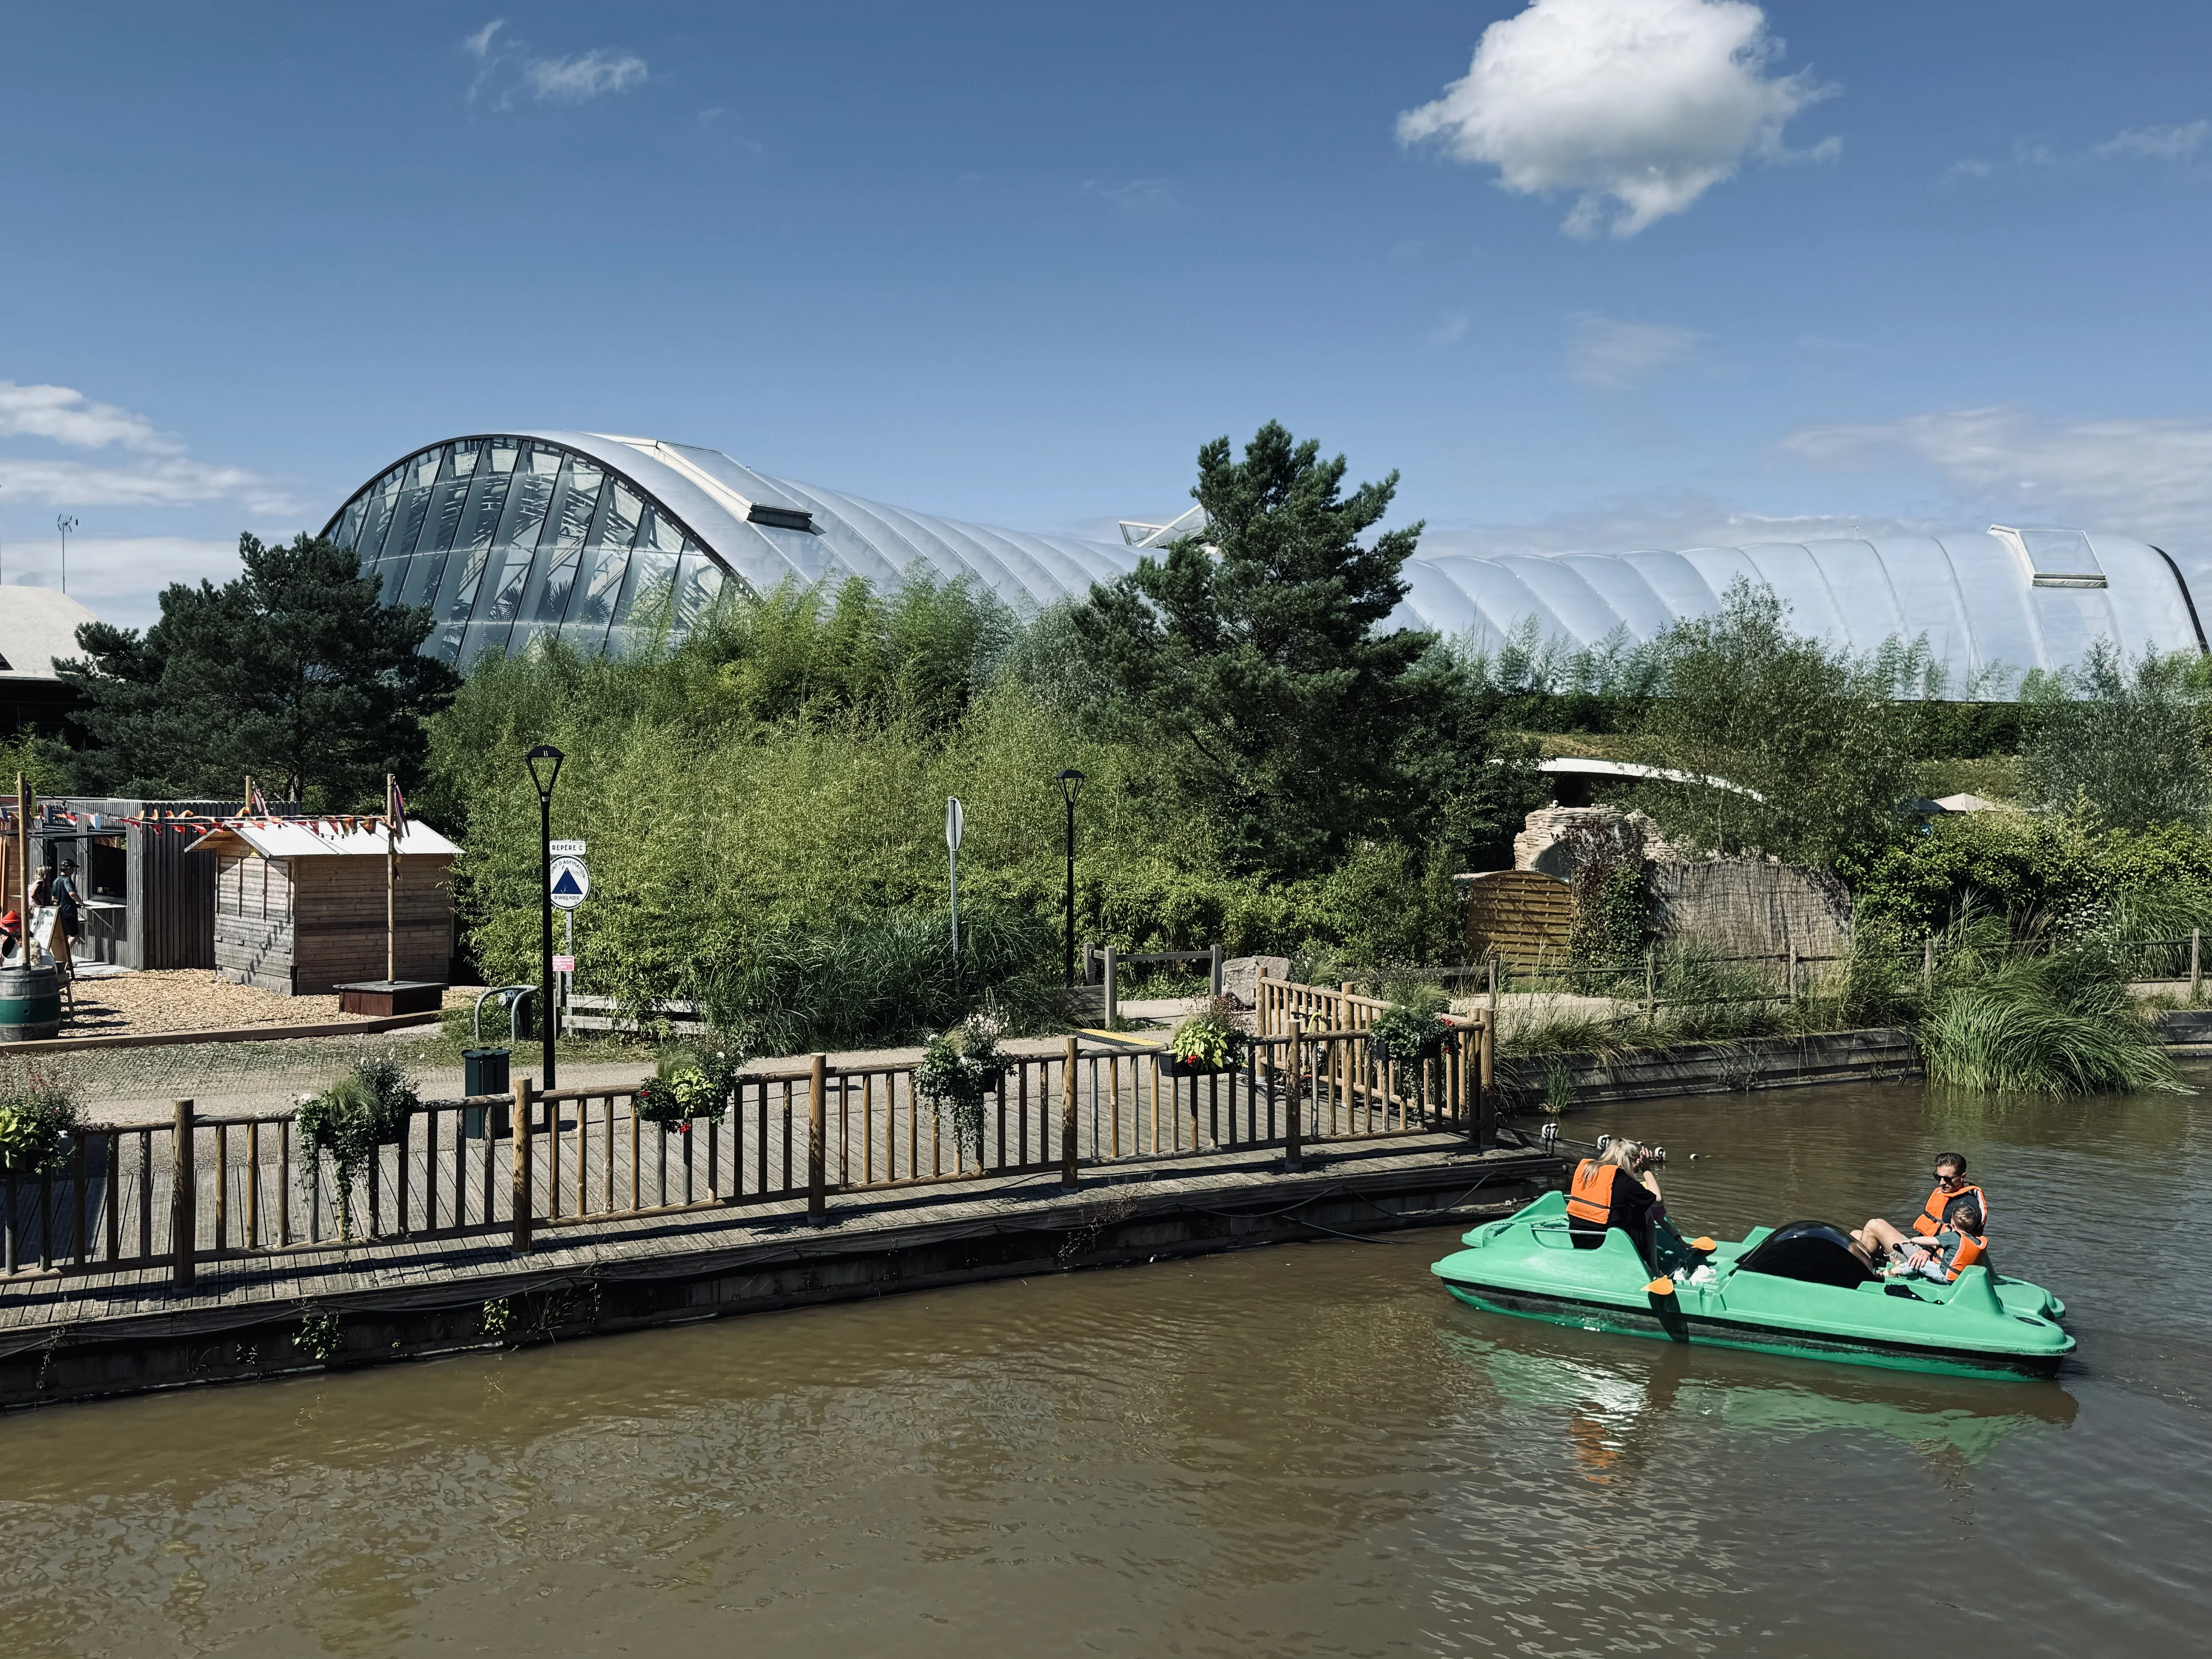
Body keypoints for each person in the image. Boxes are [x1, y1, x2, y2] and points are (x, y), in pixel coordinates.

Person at [1853, 1152, 1989, 1276]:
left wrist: (1927, 1251)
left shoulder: (1967, 1207)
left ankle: (1857, 1271)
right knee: (1856, 1235)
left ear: (1962, 1177)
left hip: (1932, 1260)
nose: (1942, 1183)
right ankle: (1869, 1263)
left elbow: (1959, 1240)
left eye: (1948, 1179)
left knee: (1875, 1225)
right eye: (1938, 1177)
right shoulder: (1947, 1194)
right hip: (1924, 1248)